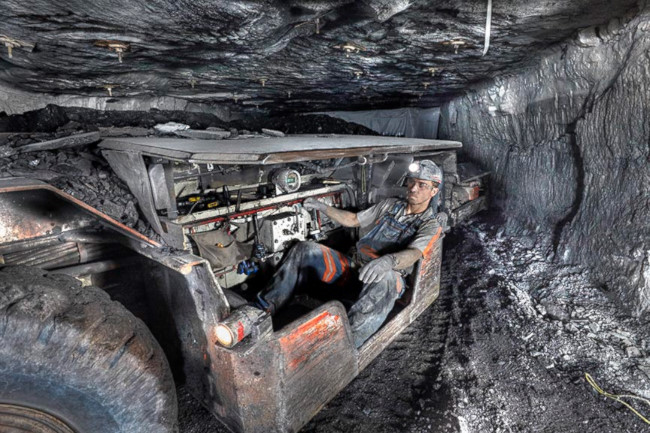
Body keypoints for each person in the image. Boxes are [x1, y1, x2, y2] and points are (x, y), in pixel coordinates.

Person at [257, 160, 444, 348]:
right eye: (411, 182)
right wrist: (324, 208)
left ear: (434, 191)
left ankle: (345, 346)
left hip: (387, 279)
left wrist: (388, 261)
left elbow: (414, 252)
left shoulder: (430, 224)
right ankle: (262, 312)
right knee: (304, 249)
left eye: (422, 185)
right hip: (356, 268)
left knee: (386, 278)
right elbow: (354, 219)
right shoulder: (390, 205)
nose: (413, 188)